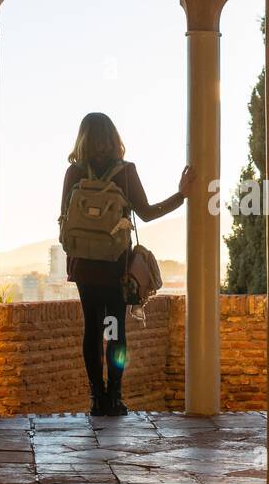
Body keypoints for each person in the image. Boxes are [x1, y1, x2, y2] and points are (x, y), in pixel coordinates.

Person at [61, 112, 194, 417]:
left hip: (83, 265)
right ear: (113, 137)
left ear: (82, 138)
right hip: (115, 266)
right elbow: (146, 213)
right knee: (116, 329)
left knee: (92, 329)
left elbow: (64, 220)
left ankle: (96, 398)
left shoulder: (74, 173)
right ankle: (114, 397)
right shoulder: (125, 172)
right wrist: (181, 195)